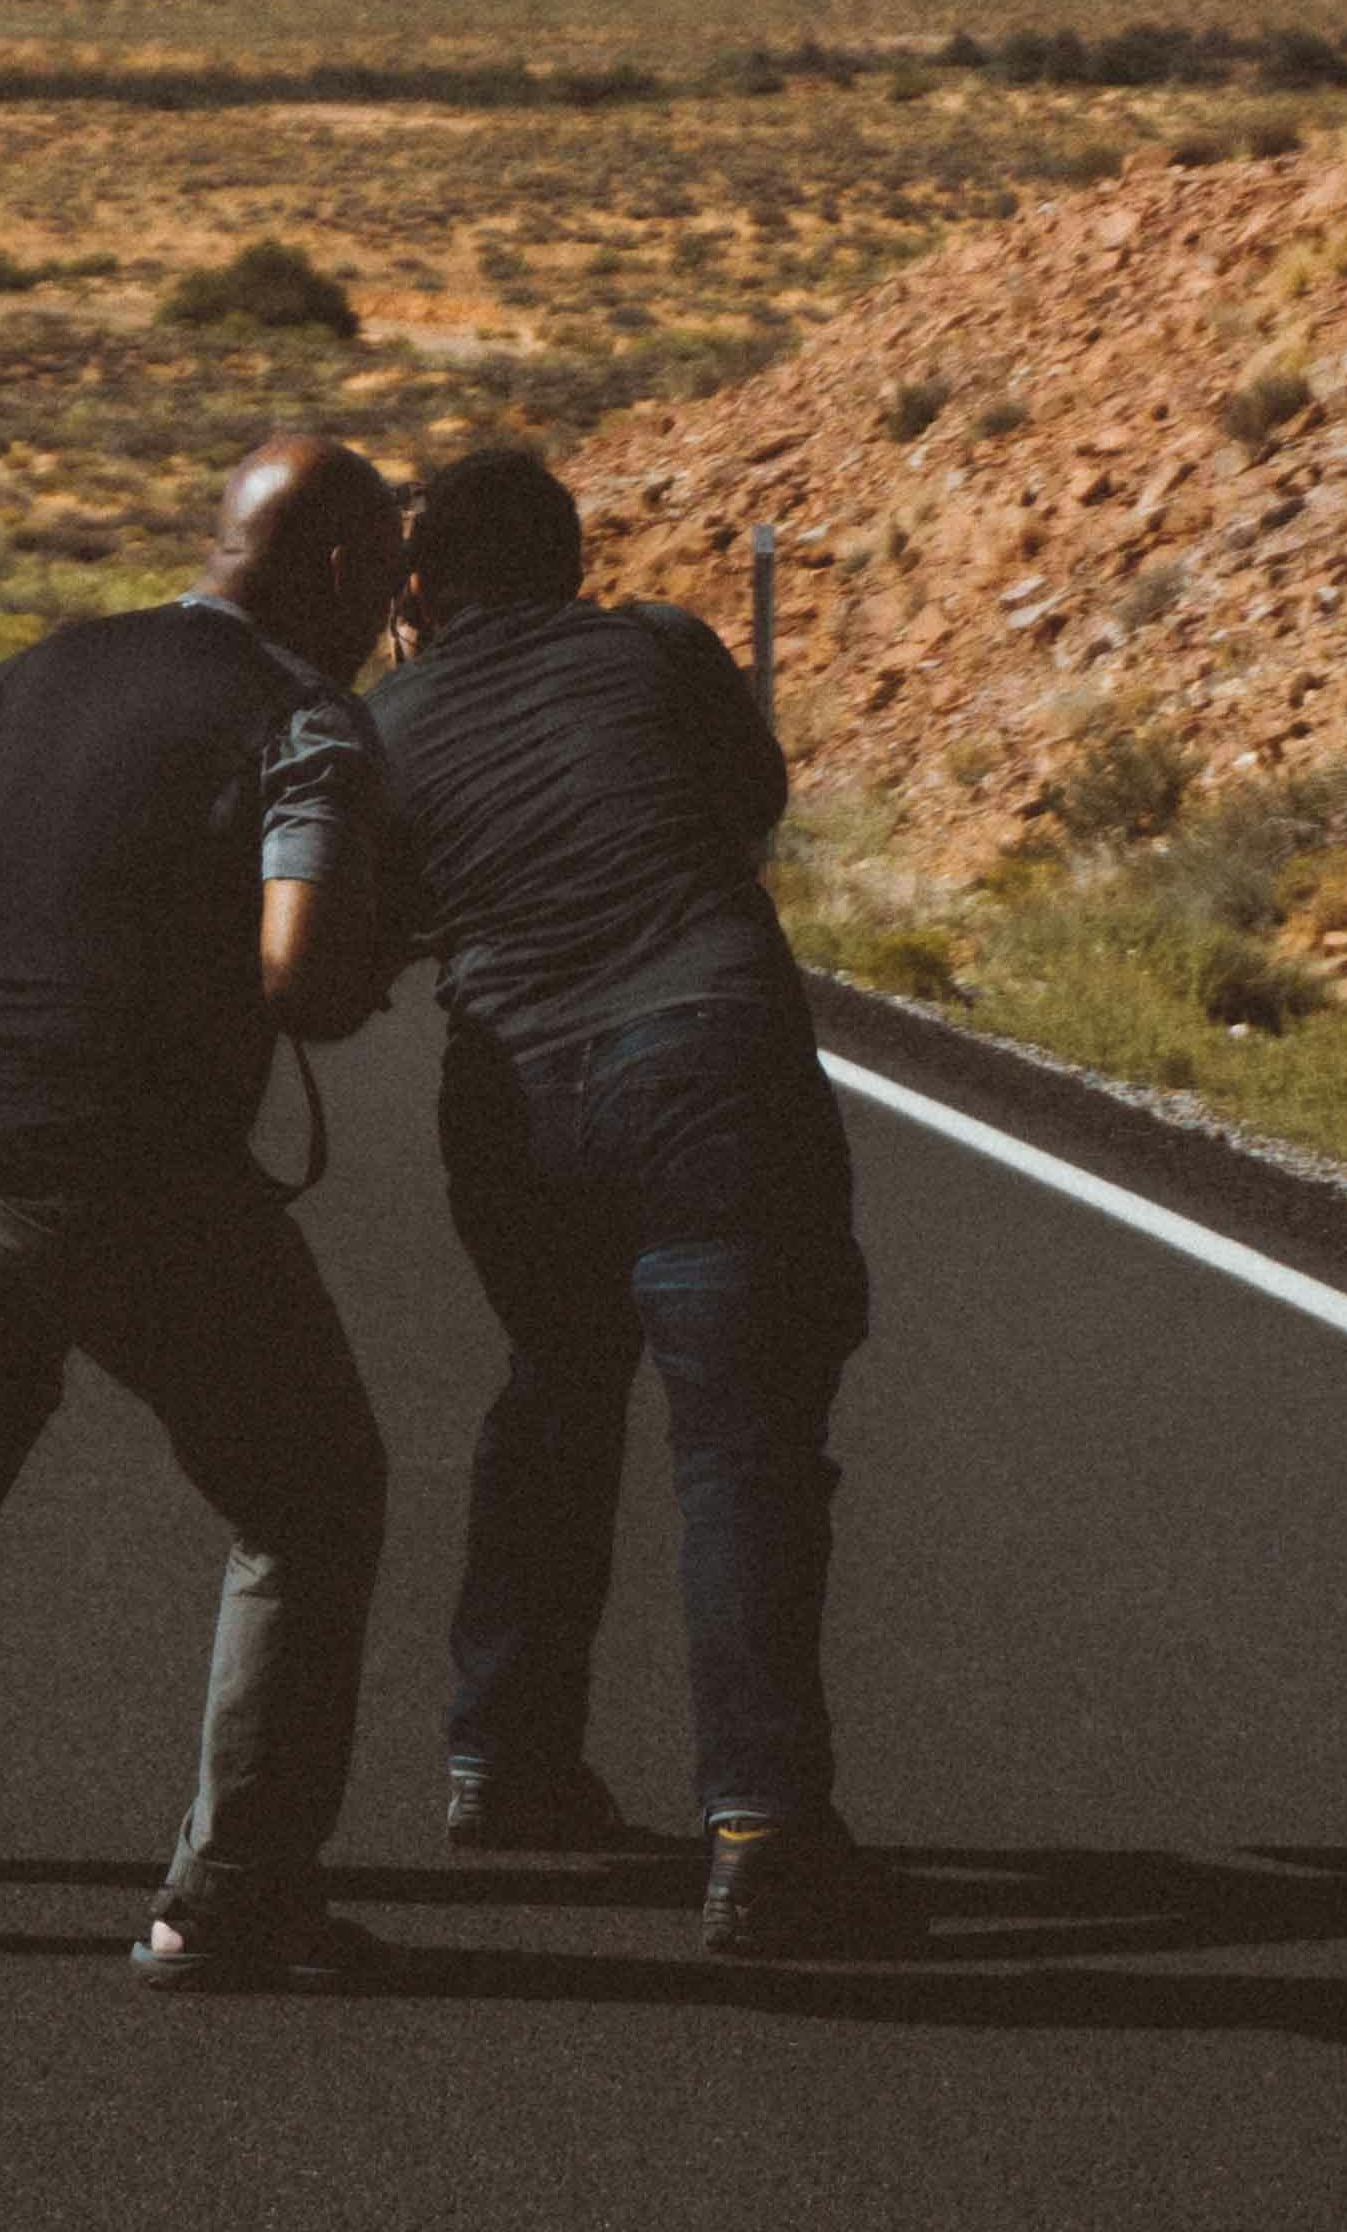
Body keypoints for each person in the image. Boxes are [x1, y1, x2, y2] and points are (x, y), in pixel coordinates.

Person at [0, 434, 410, 1995]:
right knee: (312, 1500)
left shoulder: (29, 679)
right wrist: (378, 944)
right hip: (126, 1169)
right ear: (325, 571)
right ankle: (233, 1901)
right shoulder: (306, 721)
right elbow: (303, 979)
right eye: (380, 578)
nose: (388, 614)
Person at [362, 444, 890, 1957]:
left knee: (556, 1387)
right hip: (711, 1053)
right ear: (571, 565)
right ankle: (765, 1830)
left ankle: (505, 1758)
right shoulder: (654, 644)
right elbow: (754, 799)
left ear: (417, 590)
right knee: (745, 1444)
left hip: (513, 1093)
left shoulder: (380, 724)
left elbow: (381, 920)